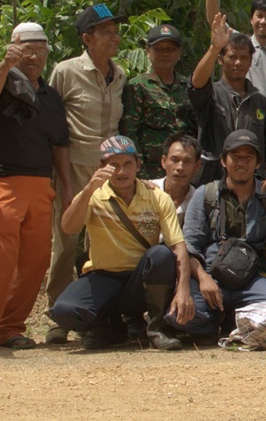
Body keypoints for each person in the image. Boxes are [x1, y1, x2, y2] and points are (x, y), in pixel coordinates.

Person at [0, 22, 71, 355]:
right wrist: (6, 65)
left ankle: (10, 328)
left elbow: (59, 144)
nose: (32, 55)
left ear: (47, 53)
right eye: (25, 48)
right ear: (12, 48)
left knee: (35, 264)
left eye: (39, 49)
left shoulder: (50, 96)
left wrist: (67, 186)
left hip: (39, 185)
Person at [50, 136, 193, 350]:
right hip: (104, 277)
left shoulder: (157, 197)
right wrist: (89, 188)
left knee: (161, 255)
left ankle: (156, 328)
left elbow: (178, 246)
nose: (121, 172)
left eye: (128, 164)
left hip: (140, 280)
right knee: (64, 312)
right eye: (113, 165)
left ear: (138, 165)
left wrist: (183, 291)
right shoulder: (93, 195)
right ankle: (110, 327)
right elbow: (69, 227)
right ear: (102, 167)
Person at [45, 2, 127, 342]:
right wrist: (64, 183)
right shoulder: (65, 72)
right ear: (87, 38)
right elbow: (53, 129)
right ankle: (57, 316)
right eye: (106, 32)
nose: (114, 38)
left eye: (114, 31)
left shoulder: (120, 74)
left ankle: (94, 315)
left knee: (103, 243)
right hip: (75, 167)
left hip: (110, 171)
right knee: (65, 243)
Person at [172, 130, 266, 338]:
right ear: (223, 161)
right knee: (184, 317)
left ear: (257, 163)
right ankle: (219, 321)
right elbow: (189, 247)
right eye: (235, 156)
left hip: (251, 278)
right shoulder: (205, 194)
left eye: (248, 157)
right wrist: (203, 278)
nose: (241, 163)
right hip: (210, 276)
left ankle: (228, 319)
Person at [189, 11, 266, 190]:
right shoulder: (211, 95)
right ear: (220, 59)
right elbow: (197, 84)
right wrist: (214, 47)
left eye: (244, 58)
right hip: (214, 182)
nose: (238, 63)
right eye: (232, 57)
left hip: (254, 186)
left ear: (250, 61)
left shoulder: (261, 103)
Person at [121, 23, 197, 181]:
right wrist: (140, 174)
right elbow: (130, 132)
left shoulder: (188, 86)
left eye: (170, 49)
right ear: (148, 52)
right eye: (159, 49)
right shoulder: (137, 86)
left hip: (182, 171)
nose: (165, 54)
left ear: (179, 53)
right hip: (150, 172)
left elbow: (195, 129)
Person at [151, 133, 200, 225]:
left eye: (187, 161)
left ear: (197, 166)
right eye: (175, 160)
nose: (180, 167)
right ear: (164, 162)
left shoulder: (199, 203)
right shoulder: (145, 191)